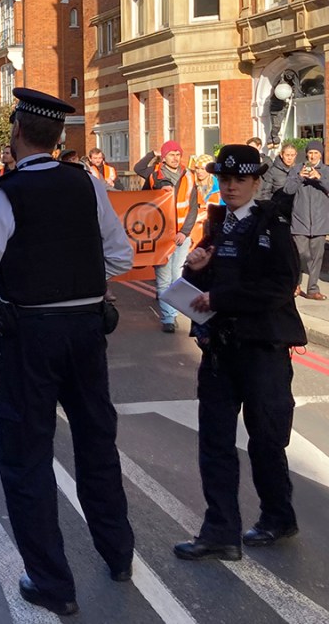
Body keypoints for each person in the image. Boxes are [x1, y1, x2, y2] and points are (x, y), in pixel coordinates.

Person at [0, 88, 135, 617]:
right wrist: (81, 282)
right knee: (96, 440)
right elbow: (120, 256)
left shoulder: (3, 197)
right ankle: (118, 553)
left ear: (16, 133)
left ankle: (53, 582)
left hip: (31, 334)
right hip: (85, 329)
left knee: (26, 455)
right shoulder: (87, 183)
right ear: (57, 137)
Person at [174, 144, 304, 561]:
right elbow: (203, 288)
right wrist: (194, 270)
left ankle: (277, 517)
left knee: (266, 439)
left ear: (256, 182)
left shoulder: (273, 226)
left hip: (262, 351)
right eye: (225, 179)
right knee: (214, 442)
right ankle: (220, 532)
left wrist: (220, 298)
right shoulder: (217, 225)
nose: (230, 186)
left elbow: (279, 288)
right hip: (220, 351)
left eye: (240, 180)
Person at [135, 140, 198, 332]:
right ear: (163, 157)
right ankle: (168, 318)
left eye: (178, 154)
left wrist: (184, 232)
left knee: (177, 276)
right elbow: (144, 203)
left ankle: (173, 312)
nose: (175, 158)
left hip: (181, 235)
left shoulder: (189, 176)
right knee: (163, 278)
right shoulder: (154, 176)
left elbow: (193, 207)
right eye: (171, 154)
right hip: (161, 236)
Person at [283, 140, 329, 300]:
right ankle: (295, 284)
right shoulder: (296, 169)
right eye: (310, 153)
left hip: (320, 220)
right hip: (300, 220)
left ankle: (312, 289)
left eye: (316, 153)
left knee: (317, 257)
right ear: (306, 154)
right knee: (300, 254)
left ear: (320, 155)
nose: (313, 156)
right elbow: (288, 190)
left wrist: (319, 177)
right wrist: (300, 177)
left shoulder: (326, 170)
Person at [258, 142, 296, 213]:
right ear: (281, 155)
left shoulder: (298, 170)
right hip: (278, 211)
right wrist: (272, 209)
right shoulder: (272, 170)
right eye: (287, 155)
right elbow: (265, 193)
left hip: (294, 211)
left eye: (292, 155)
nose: (290, 158)